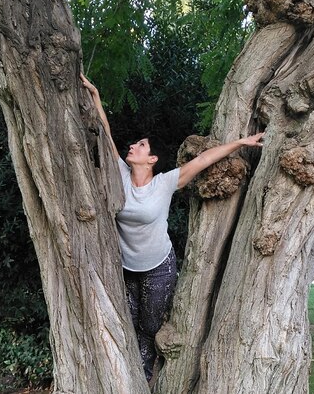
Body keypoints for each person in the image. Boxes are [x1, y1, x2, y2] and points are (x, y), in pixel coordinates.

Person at [81, 74, 264, 382]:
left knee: (150, 325)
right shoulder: (121, 174)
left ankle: (144, 373)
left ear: (152, 159)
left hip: (158, 267)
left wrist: (241, 142)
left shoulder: (166, 183)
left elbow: (204, 159)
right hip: (126, 266)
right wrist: (96, 96)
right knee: (128, 320)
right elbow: (105, 135)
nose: (133, 146)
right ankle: (129, 374)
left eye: (141, 145)